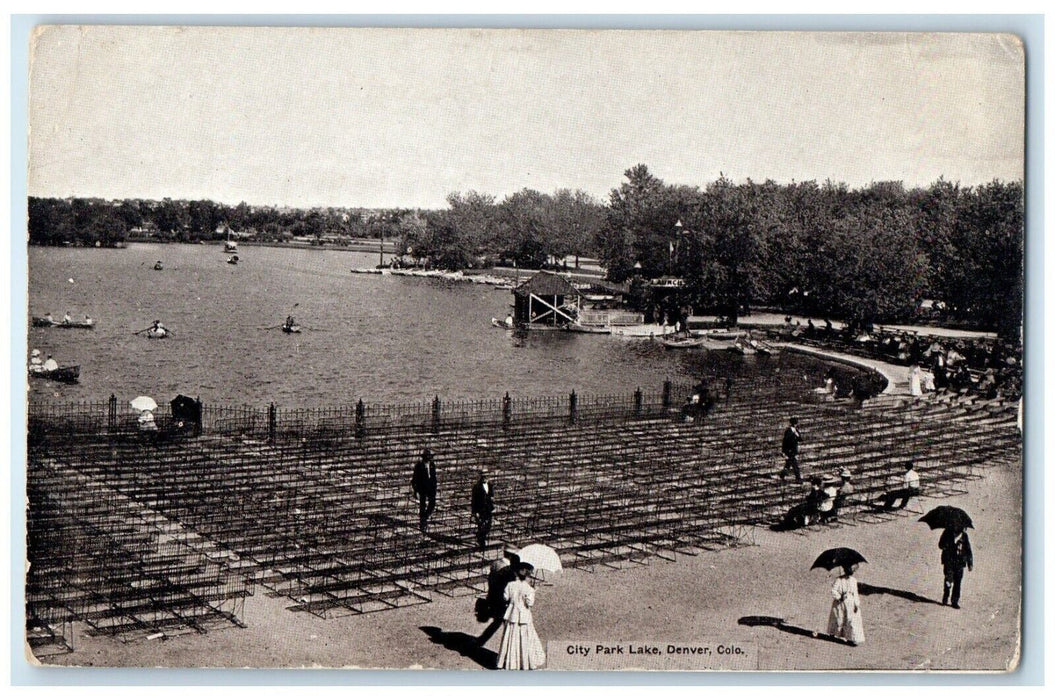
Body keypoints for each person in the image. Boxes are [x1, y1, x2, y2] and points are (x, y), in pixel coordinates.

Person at [496, 563, 546, 670]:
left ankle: (510, 661)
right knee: (525, 638)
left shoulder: (510, 585)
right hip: (524, 616)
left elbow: (505, 598)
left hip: (512, 614)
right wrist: (533, 590)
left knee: (510, 638)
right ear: (528, 575)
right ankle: (525, 662)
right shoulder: (528, 588)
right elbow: (530, 603)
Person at [827, 563, 865, 645]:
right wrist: (839, 597)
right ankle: (833, 633)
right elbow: (833, 590)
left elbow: (855, 593)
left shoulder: (853, 580)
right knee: (838, 619)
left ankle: (851, 638)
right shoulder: (839, 580)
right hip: (840, 603)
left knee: (851, 620)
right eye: (850, 570)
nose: (851, 572)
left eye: (853, 570)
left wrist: (856, 604)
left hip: (850, 602)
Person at [939, 525, 973, 608]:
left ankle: (955, 601)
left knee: (958, 582)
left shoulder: (964, 536)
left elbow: (968, 550)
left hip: (960, 562)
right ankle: (946, 596)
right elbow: (940, 545)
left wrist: (970, 563)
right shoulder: (947, 532)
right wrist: (946, 545)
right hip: (949, 561)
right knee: (948, 579)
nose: (964, 529)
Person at [411, 448, 437, 532]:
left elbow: (434, 477)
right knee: (422, 505)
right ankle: (422, 522)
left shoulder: (432, 465)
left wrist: (434, 487)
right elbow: (415, 479)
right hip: (422, 488)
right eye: (428, 456)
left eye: (430, 456)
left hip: (430, 488)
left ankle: (424, 517)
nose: (429, 458)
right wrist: (415, 490)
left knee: (432, 503)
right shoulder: (419, 466)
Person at [471, 471, 496, 550]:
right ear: (481, 477)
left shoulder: (490, 485)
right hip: (480, 509)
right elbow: (474, 500)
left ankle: (479, 536)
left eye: (486, 476)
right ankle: (482, 544)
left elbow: (491, 495)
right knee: (481, 526)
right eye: (484, 477)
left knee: (488, 526)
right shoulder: (476, 487)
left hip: (488, 509)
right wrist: (475, 512)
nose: (485, 478)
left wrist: (492, 501)